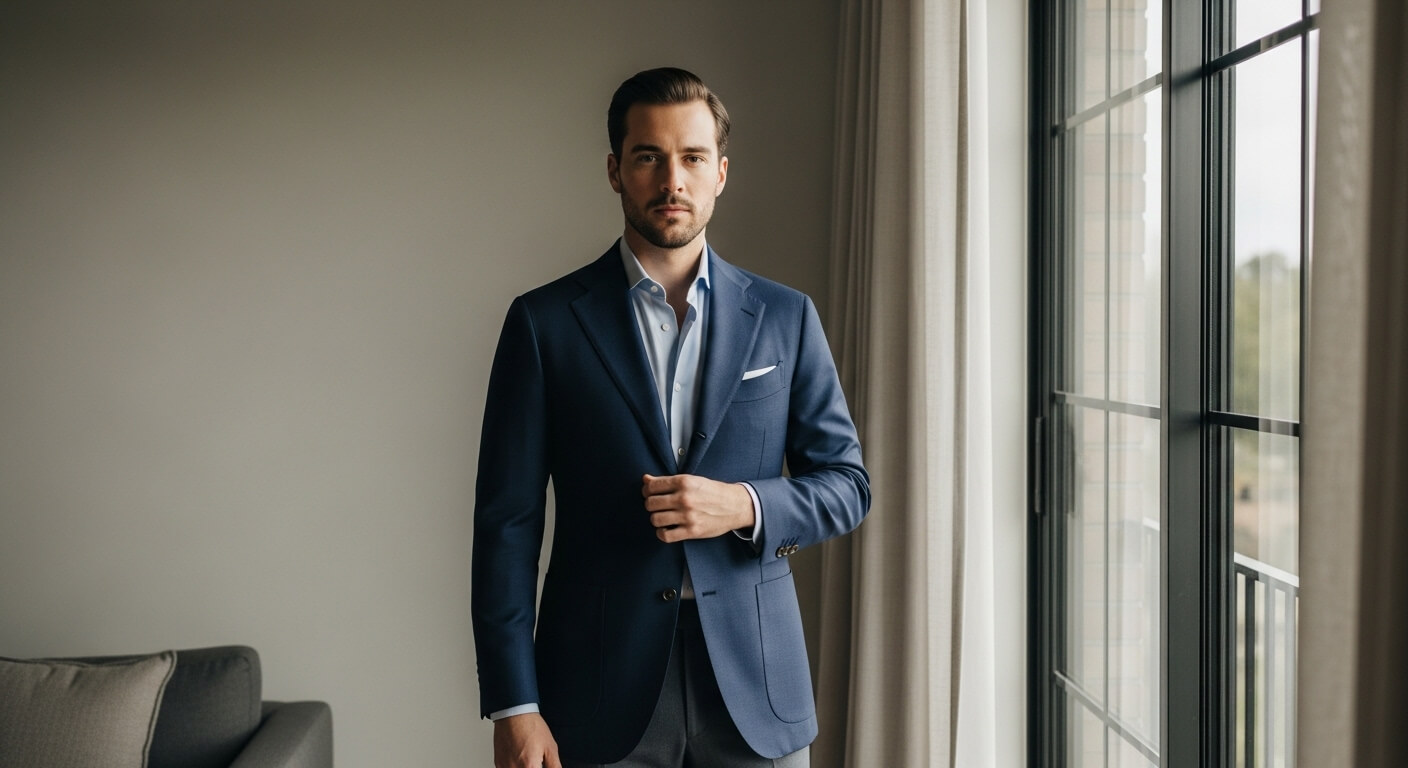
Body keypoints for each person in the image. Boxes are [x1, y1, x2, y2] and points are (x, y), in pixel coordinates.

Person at [472, 67, 870, 768]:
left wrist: (742, 505)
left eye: (691, 157)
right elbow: (507, 527)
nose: (672, 181)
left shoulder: (786, 316)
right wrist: (515, 706)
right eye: (648, 157)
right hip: (595, 689)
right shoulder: (544, 324)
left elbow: (847, 485)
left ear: (721, 172)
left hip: (757, 687)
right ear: (615, 171)